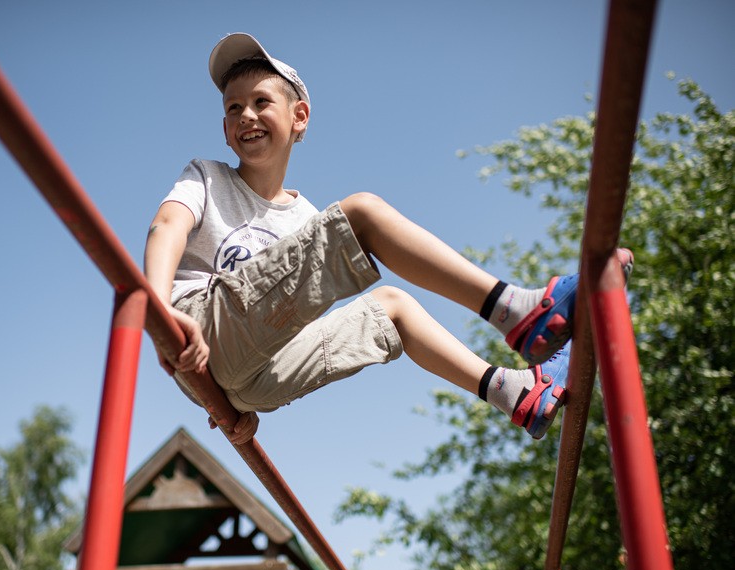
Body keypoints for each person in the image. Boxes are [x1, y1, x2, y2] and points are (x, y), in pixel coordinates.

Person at [144, 33, 632, 445]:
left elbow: (287, 328)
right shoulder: (208, 176)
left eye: (261, 102)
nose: (246, 115)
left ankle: (511, 392)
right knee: (362, 214)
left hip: (247, 374)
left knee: (392, 307)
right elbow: (167, 226)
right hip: (193, 326)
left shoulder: (308, 222)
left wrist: (233, 400)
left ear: (299, 117)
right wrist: (161, 313)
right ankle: (516, 311)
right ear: (225, 131)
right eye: (234, 108)